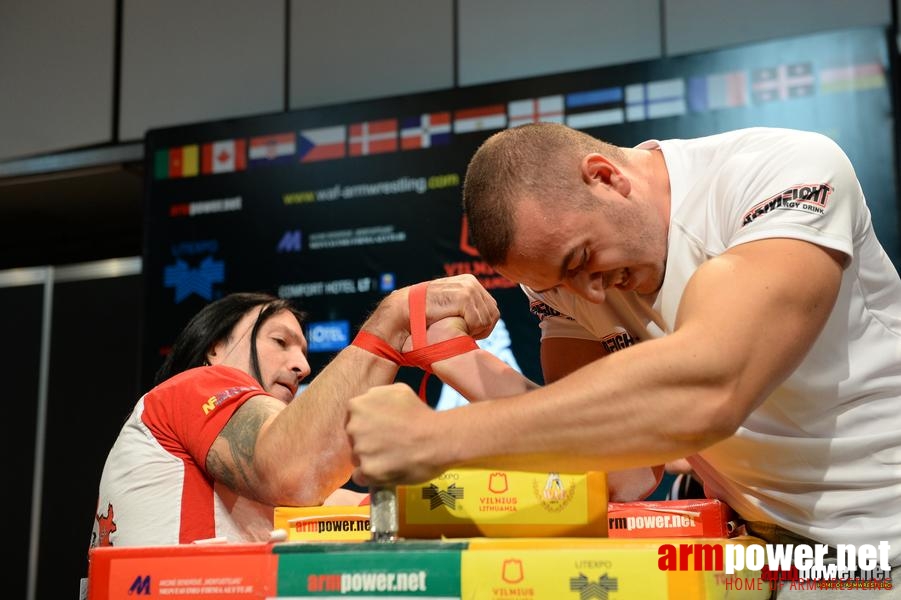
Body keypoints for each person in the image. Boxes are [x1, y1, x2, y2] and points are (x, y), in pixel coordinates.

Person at [345, 124, 901, 593]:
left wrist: (434, 440)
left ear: (606, 178)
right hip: (759, 562)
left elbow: (707, 390)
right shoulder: (563, 284)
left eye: (583, 260)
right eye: (559, 284)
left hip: (884, 552)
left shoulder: (781, 170)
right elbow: (618, 470)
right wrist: (455, 354)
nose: (590, 295)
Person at [90, 274, 499, 547]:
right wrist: (393, 319)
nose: (303, 367)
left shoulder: (255, 478)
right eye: (280, 341)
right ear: (215, 346)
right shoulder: (194, 386)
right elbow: (293, 470)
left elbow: (395, 513)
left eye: (304, 352)